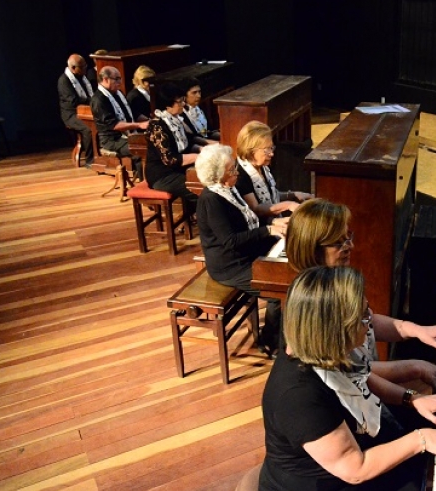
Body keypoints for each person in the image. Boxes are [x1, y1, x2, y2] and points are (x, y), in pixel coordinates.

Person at [259, 266, 436, 491]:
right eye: (363, 317)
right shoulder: (299, 397)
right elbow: (355, 468)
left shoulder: (316, 344)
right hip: (321, 488)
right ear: (335, 330)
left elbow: (359, 379)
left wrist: (411, 398)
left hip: (351, 452)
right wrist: (422, 439)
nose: (370, 322)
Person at [286, 198, 436, 400]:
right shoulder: (314, 303)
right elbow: (353, 371)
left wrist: (415, 330)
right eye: (339, 242)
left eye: (348, 236)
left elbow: (369, 321)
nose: (350, 245)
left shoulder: (339, 282)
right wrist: (416, 371)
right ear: (311, 247)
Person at [195, 144, 288, 356]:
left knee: (289, 262)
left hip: (247, 252)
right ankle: (269, 341)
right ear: (219, 175)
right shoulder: (211, 200)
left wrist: (277, 229)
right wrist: (269, 230)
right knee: (277, 293)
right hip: (230, 266)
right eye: (231, 169)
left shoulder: (228, 189)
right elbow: (230, 241)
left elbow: (248, 224)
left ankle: (289, 332)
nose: (236, 172)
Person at [235, 120, 313, 224]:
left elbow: (272, 195)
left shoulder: (262, 166)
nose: (271, 153)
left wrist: (294, 194)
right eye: (267, 149)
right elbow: (256, 208)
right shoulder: (240, 174)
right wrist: (288, 205)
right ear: (251, 150)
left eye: (272, 148)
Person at [144, 82, 199, 213]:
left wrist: (207, 148)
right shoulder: (157, 126)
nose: (183, 104)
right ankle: (207, 227)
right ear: (167, 105)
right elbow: (170, 159)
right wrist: (200, 156)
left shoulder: (176, 119)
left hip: (178, 170)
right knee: (201, 189)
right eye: (179, 102)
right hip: (162, 175)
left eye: (183, 100)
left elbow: (188, 144)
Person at [91, 66, 148, 178]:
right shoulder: (99, 100)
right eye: (116, 79)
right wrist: (139, 125)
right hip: (112, 139)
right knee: (141, 149)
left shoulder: (118, 93)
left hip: (127, 134)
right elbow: (114, 125)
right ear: (105, 79)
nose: (120, 82)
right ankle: (144, 183)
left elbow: (131, 114)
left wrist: (149, 120)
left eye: (120, 78)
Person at [57, 54, 95, 167]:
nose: (85, 69)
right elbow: (73, 101)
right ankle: (90, 160)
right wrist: (92, 101)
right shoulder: (64, 81)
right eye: (82, 67)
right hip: (71, 114)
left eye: (85, 66)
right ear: (73, 68)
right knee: (88, 129)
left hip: (85, 111)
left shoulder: (82, 77)